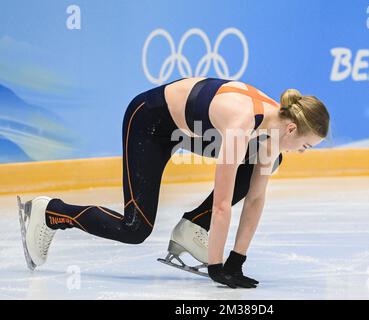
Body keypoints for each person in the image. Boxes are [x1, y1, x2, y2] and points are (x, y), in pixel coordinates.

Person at [18, 77, 330, 288]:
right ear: (291, 130)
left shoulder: (274, 130)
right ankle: (50, 213)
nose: (302, 152)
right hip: (149, 123)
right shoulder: (242, 124)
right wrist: (216, 267)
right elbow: (223, 205)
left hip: (186, 129)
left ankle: (193, 226)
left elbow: (256, 199)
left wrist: (237, 261)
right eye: (306, 146)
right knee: (135, 228)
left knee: (268, 161)